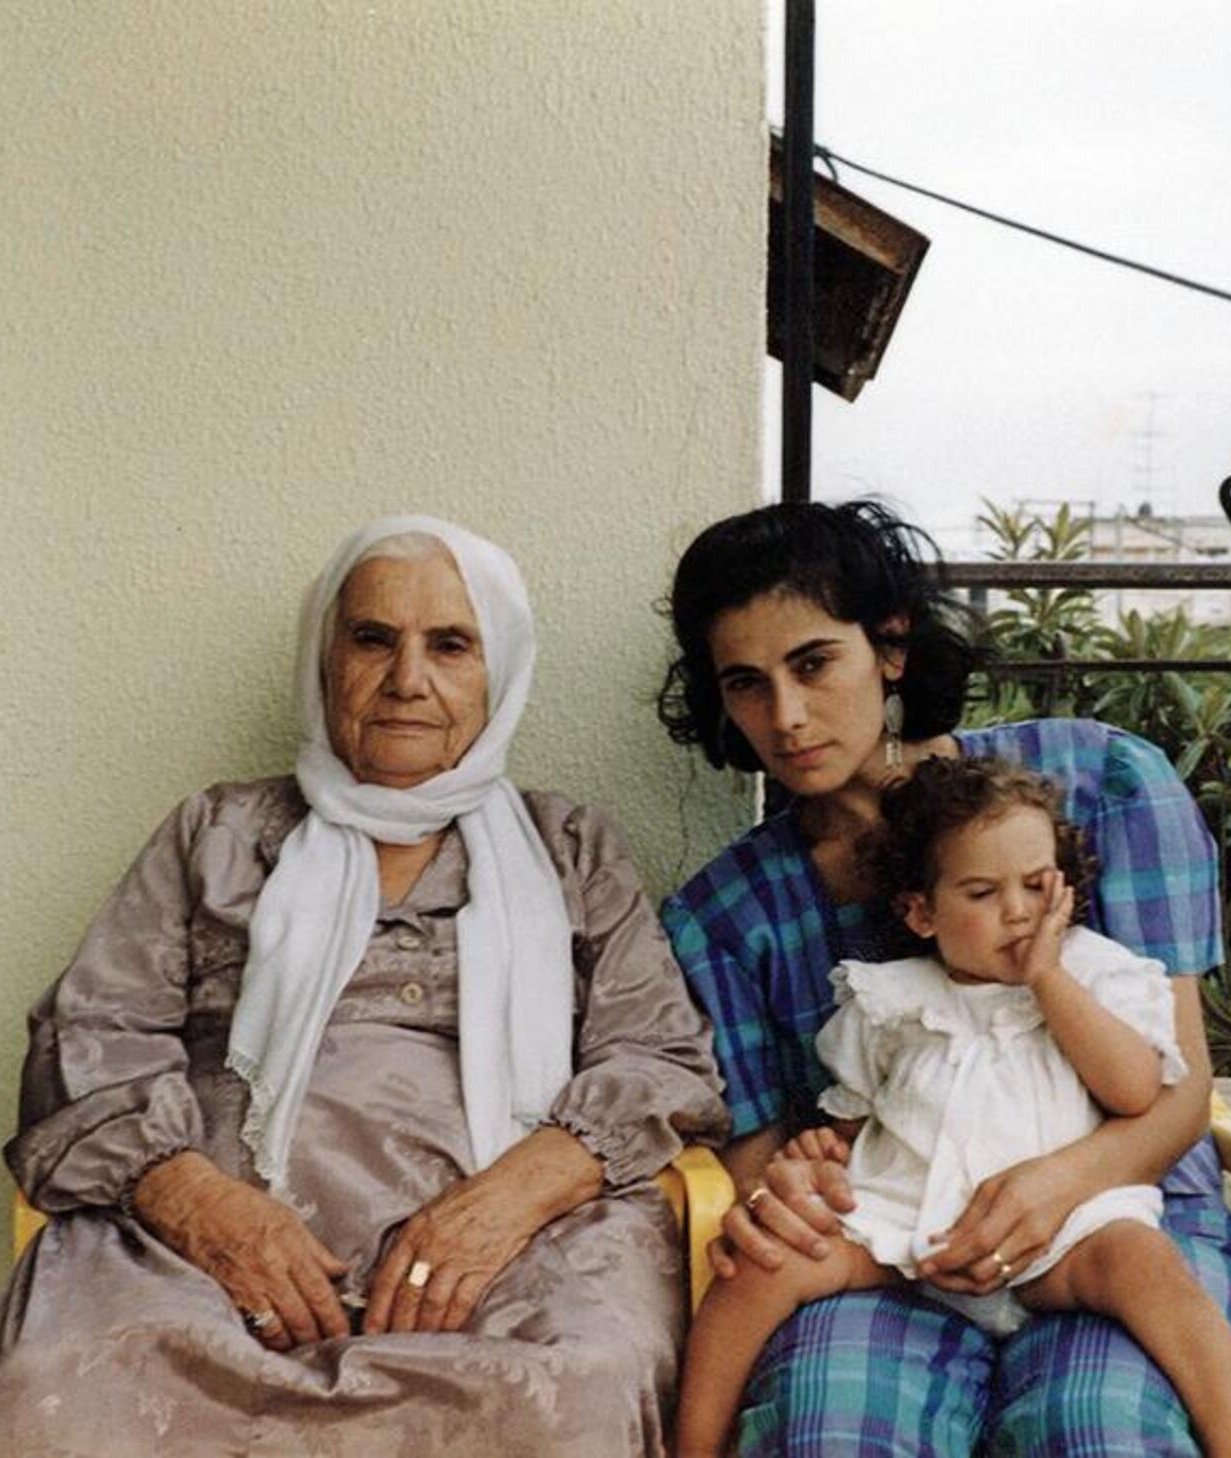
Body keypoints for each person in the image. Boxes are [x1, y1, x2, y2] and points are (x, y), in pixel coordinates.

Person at [1, 515, 727, 1458]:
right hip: (208, 1254)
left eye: (450, 646)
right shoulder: (217, 832)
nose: (408, 679)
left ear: (497, 670)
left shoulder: (567, 849)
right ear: (325, 659)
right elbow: (87, 1033)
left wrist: (500, 1208)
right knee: (73, 1369)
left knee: (581, 1375)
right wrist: (200, 1206)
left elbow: (659, 1057)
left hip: (513, 1250)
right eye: (373, 639)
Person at [657, 499, 1231, 1456]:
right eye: (746, 684)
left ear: (891, 647)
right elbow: (767, 1159)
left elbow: (1177, 1090)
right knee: (829, 1423)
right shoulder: (724, 917)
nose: (785, 716)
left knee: (1100, 1421)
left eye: (814, 663)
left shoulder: (1100, 786)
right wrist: (796, 1177)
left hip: (1129, 1211)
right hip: (899, 1232)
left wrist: (1057, 1184)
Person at [675, 755, 1231, 1458]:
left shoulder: (1095, 974)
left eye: (1036, 886)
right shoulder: (888, 999)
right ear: (921, 913)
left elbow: (1137, 1091)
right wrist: (818, 1154)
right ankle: (693, 1445)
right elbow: (852, 1117)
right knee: (758, 1271)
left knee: (1155, 1275)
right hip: (905, 1228)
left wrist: (1048, 979)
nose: (1017, 911)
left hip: (1066, 1235)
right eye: (982, 892)